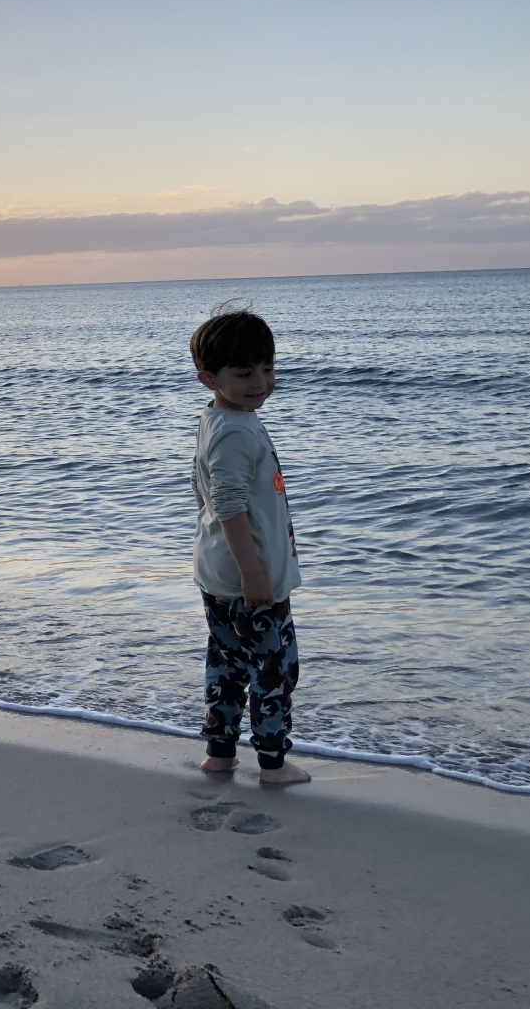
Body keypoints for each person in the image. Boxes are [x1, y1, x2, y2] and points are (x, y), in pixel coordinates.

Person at [189, 306, 311, 785]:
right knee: (274, 670)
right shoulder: (237, 432)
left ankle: (220, 754)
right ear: (208, 378)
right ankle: (273, 765)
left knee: (227, 662)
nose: (261, 382)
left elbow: (202, 490)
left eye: (267, 368)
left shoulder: (216, 418)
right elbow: (228, 503)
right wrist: (253, 573)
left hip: (216, 571)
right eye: (244, 373)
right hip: (249, 578)